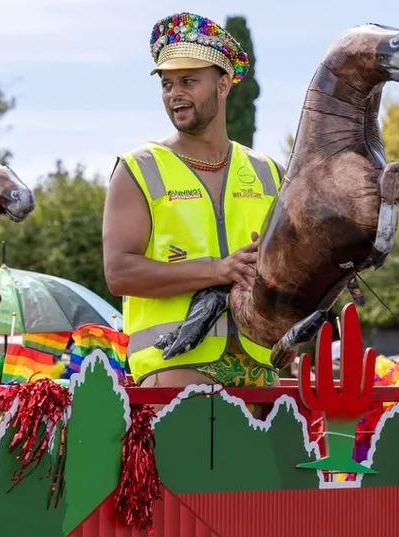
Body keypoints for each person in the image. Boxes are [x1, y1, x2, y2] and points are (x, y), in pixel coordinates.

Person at [102, 13, 284, 389]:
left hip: (260, 367)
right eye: (167, 84)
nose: (174, 94)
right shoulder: (138, 168)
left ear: (223, 84)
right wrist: (217, 270)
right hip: (173, 369)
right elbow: (119, 273)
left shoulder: (269, 171)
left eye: (188, 81)